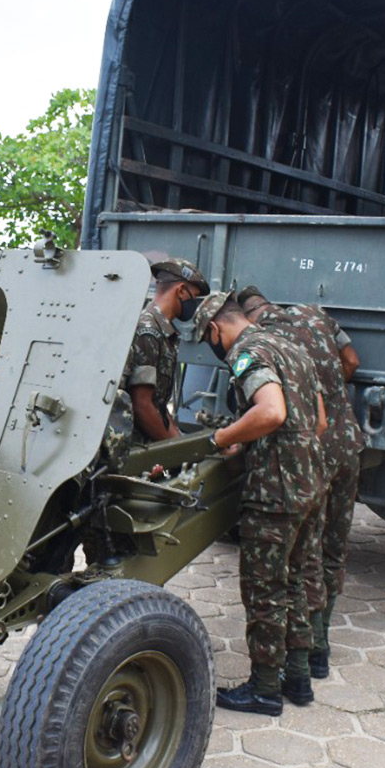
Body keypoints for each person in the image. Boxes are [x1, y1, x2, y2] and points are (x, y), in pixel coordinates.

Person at [192, 291, 326, 716]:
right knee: (296, 580)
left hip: (276, 491)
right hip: (310, 483)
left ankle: (265, 688)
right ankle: (298, 677)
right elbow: (318, 421)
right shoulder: (291, 348)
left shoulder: (248, 353)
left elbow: (271, 412)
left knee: (264, 587)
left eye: (208, 339)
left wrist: (222, 438)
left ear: (215, 329)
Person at [237, 286, 363, 680]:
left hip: (311, 455)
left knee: (304, 559)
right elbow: (352, 361)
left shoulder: (268, 341)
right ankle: (320, 651)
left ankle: (305, 658)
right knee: (333, 552)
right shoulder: (316, 314)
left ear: (250, 317)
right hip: (348, 443)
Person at [123, 260, 210, 442]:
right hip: (133, 446)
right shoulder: (148, 331)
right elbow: (142, 405)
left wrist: (180, 444)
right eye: (193, 298)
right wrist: (173, 450)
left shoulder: (163, 331)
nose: (194, 306)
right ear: (180, 291)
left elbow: (158, 405)